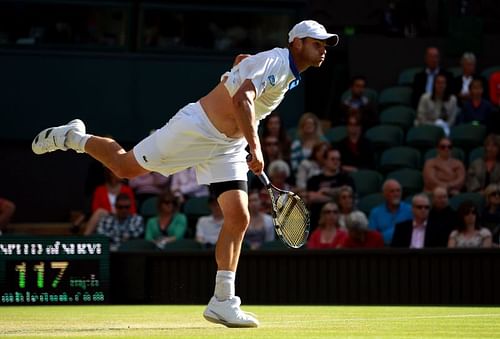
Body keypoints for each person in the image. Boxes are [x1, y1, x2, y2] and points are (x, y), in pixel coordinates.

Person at [31, 19, 339, 327]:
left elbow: (245, 76)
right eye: (316, 42)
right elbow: (242, 99)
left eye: (325, 45)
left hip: (227, 146)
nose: (322, 49)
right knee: (124, 167)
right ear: (296, 43)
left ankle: (223, 300)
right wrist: (256, 147)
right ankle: (72, 137)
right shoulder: (277, 61)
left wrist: (240, 69)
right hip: (197, 128)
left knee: (238, 216)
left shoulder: (285, 74)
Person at [306, 149, 355, 230]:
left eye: (338, 159)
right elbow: (312, 197)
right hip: (317, 218)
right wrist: (338, 197)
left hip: (341, 218)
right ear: (325, 160)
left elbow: (349, 194)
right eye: (333, 159)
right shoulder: (314, 180)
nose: (336, 162)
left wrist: (327, 191)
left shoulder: (346, 178)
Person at [83, 167, 138, 235]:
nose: (122, 175)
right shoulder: (99, 190)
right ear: (111, 174)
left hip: (123, 216)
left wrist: (119, 212)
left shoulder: (127, 190)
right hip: (106, 217)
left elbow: (132, 209)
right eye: (119, 172)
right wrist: (112, 213)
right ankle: (85, 238)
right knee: (99, 212)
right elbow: (95, 209)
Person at [368, 179, 412, 245]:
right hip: (383, 250)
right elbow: (372, 238)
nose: (396, 194)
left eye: (398, 191)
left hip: (405, 249)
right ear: (384, 194)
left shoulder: (410, 210)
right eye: (392, 191)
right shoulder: (375, 213)